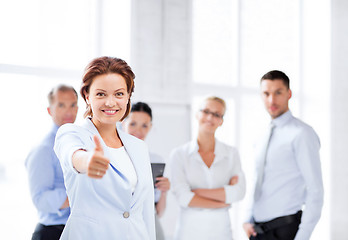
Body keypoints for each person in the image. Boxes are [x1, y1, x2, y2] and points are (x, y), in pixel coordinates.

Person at [53, 56, 155, 240]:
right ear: (87, 96)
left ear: (128, 96)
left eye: (119, 94)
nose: (110, 102)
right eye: (101, 94)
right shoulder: (72, 133)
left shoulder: (138, 147)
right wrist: (86, 161)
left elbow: (145, 212)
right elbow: (72, 154)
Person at [243, 70, 324, 240]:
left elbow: (315, 190)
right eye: (266, 93)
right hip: (258, 231)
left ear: (289, 94)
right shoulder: (262, 135)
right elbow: (258, 179)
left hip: (286, 230)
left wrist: (303, 236)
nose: (271, 100)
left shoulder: (302, 134)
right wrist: (247, 218)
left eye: (278, 92)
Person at [170, 96, 246, 240]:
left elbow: (239, 192)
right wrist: (222, 202)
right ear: (197, 114)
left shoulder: (231, 154)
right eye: (206, 111)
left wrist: (197, 192)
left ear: (221, 121)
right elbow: (183, 197)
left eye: (216, 114)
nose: (210, 117)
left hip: (221, 232)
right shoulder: (179, 154)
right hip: (189, 232)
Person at [25, 84, 78, 240]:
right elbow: (40, 199)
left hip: (76, 232)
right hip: (51, 233)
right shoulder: (43, 150)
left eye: (73, 105)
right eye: (61, 105)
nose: (69, 111)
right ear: (50, 110)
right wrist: (79, 194)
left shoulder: (81, 144)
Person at [123, 101, 171, 240]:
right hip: (124, 224)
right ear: (123, 123)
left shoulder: (155, 160)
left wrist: (164, 191)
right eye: (133, 124)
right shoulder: (113, 157)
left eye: (144, 125)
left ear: (150, 127)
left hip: (150, 224)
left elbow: (158, 212)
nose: (138, 130)